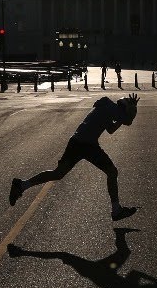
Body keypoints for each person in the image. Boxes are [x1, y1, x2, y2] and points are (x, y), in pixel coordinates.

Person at [10, 94, 140, 221]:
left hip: (78, 142)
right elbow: (128, 121)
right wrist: (133, 110)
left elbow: (111, 129)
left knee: (58, 173)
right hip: (87, 146)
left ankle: (22, 185)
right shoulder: (114, 110)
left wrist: (124, 116)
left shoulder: (107, 106)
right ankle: (116, 210)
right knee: (112, 172)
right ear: (124, 108)